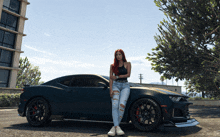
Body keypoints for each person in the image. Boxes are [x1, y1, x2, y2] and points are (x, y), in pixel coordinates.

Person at [107, 49, 131, 136]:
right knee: (114, 105)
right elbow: (110, 78)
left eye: (119, 54)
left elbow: (128, 75)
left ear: (123, 55)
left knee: (122, 105)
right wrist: (110, 90)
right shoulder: (112, 66)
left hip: (125, 86)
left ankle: (115, 127)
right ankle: (117, 127)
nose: (118, 56)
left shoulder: (128, 64)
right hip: (115, 86)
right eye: (116, 54)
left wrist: (117, 76)